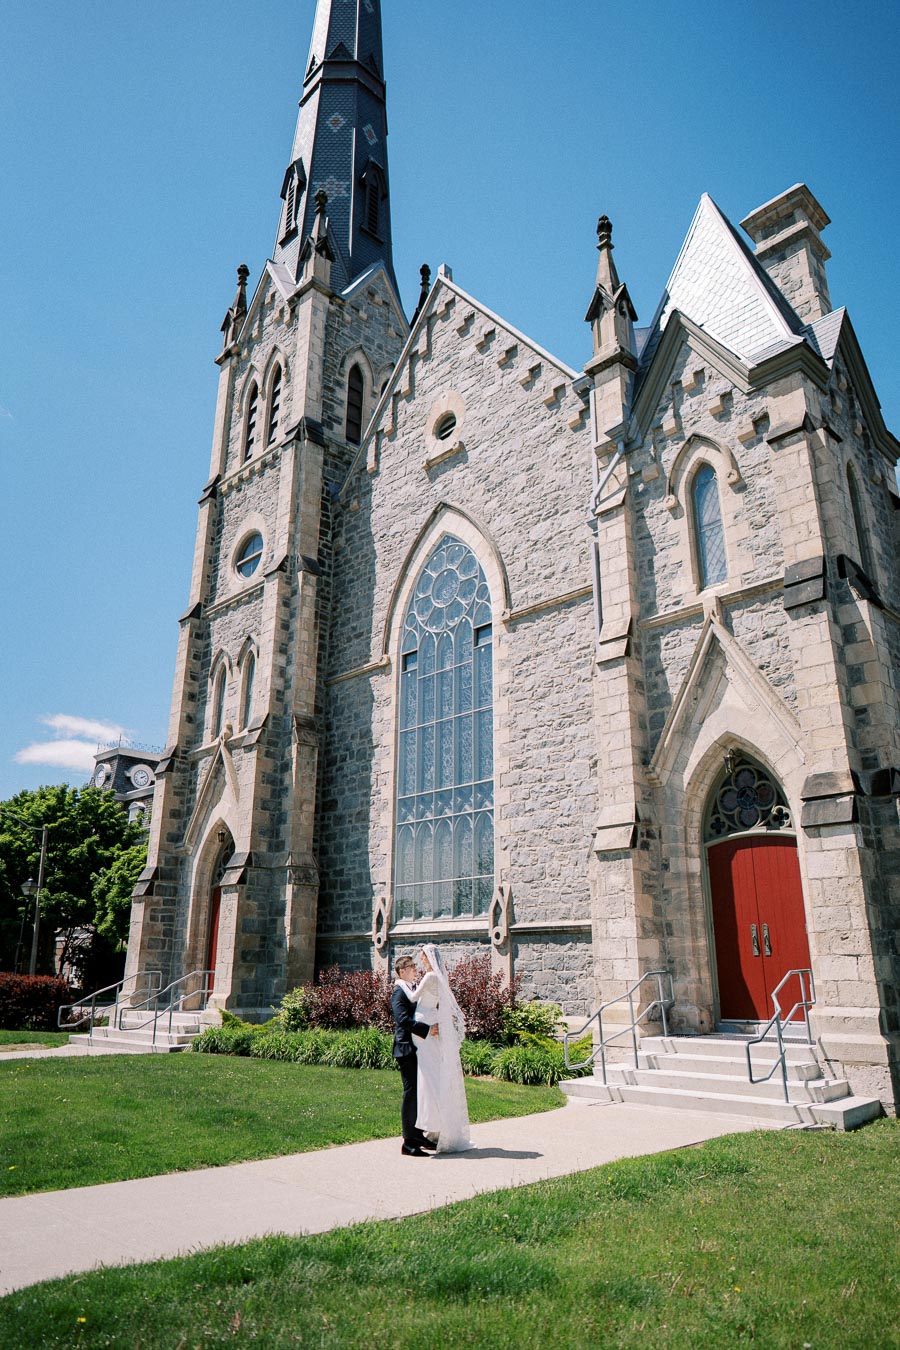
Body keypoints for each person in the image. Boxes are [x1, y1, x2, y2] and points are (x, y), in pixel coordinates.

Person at [406, 944, 472, 1153]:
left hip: (423, 1022)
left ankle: (432, 1125)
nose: (421, 962)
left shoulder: (429, 977)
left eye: (422, 958)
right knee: (433, 1072)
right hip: (432, 1020)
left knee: (428, 1074)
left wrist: (402, 984)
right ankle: (437, 1125)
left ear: (428, 958)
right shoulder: (441, 977)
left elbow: (413, 999)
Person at [391, 954, 438, 1157]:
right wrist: (426, 1029)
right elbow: (402, 1020)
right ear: (402, 971)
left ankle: (418, 1134)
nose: (415, 969)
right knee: (411, 1094)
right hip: (405, 1048)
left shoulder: (411, 989)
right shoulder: (398, 992)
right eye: (411, 966)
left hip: (418, 1047)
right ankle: (408, 1142)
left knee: (420, 1092)